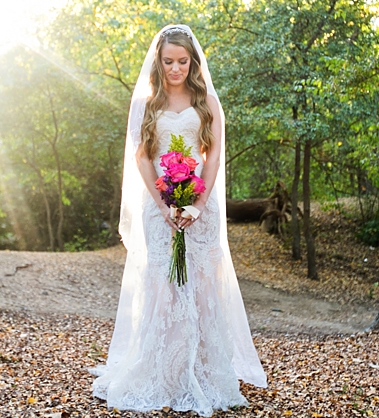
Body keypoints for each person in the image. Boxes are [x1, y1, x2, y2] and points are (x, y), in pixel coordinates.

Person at [91, 24, 267, 415]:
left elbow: (214, 156)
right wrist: (163, 204)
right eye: (168, 61)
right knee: (164, 288)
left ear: (193, 61)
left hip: (200, 206)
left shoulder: (207, 103)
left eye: (182, 61)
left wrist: (196, 206)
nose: (175, 69)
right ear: (159, 61)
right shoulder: (147, 103)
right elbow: (141, 156)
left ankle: (206, 374)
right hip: (158, 206)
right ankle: (164, 374)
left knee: (203, 288)